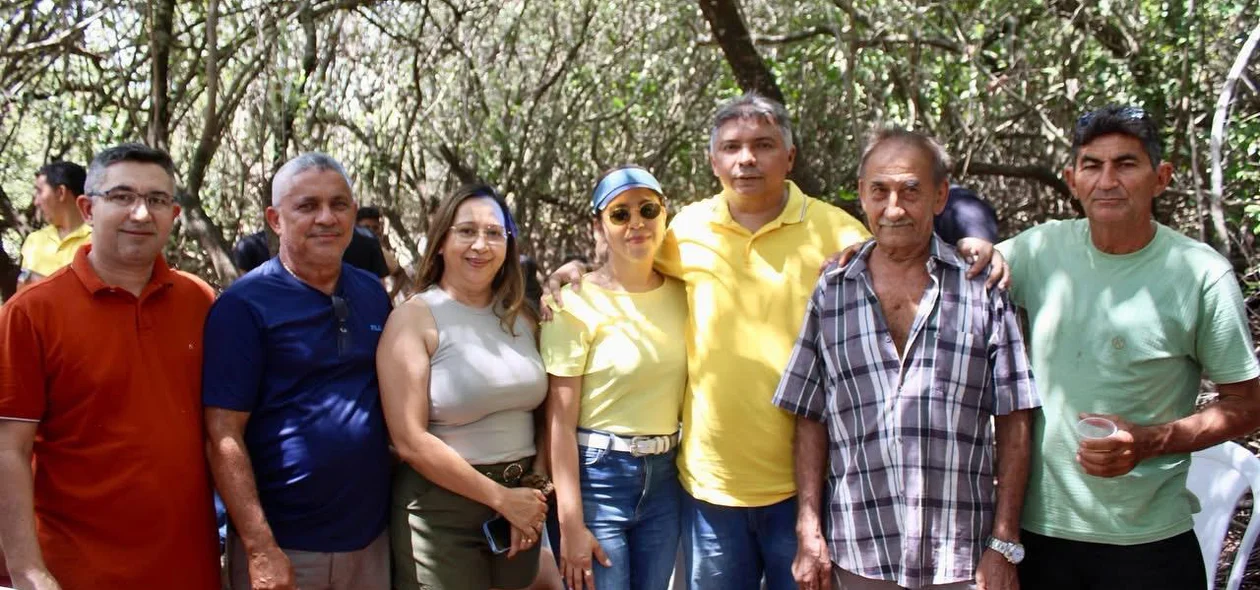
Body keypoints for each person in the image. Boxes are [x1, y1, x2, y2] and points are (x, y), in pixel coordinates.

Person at [547, 93, 1006, 590]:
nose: (747, 158)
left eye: (763, 145)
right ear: (713, 161)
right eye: (732, 147)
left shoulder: (838, 231)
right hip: (710, 488)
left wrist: (976, 246)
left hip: (808, 486)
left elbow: (905, 258)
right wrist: (576, 273)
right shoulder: (683, 232)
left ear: (789, 156)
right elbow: (627, 264)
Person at [997, 104, 1260, 590]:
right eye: (1093, 166)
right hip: (1041, 537)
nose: (1107, 180)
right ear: (1072, 179)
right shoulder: (1041, 250)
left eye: (1126, 164)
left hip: (1148, 546)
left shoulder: (1201, 275)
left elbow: (1247, 407)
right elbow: (953, 275)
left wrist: (1149, 441)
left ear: (1160, 178)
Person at [774, 128, 1039, 590]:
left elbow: (1015, 417)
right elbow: (810, 417)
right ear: (862, 196)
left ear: (940, 196)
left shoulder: (981, 290)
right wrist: (809, 530)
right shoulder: (833, 291)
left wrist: (1003, 542)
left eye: (911, 191)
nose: (894, 208)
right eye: (880, 190)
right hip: (859, 550)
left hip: (960, 557)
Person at [0, 143, 220, 589]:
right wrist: (26, 569)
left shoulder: (201, 300)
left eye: (157, 200)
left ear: (174, 213)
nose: (141, 214)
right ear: (87, 207)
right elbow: (9, 449)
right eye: (122, 196)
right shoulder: (31, 312)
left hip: (188, 567)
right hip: (76, 570)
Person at [204, 153, 393, 590]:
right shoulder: (244, 306)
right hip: (287, 546)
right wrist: (259, 547)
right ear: (275, 218)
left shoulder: (370, 293)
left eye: (339, 204)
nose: (326, 218)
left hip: (371, 540)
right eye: (307, 206)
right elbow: (222, 435)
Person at [377, 184, 550, 590]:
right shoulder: (414, 319)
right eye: (466, 231)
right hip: (441, 515)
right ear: (441, 242)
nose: (481, 245)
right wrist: (500, 498)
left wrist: (533, 492)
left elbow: (546, 414)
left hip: (520, 506)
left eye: (494, 233)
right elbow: (409, 440)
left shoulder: (523, 319)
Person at [541, 166, 688, 590]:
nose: (636, 223)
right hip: (597, 480)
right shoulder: (571, 303)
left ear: (664, 215)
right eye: (620, 214)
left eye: (647, 209)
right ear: (599, 227)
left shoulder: (685, 293)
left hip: (665, 479)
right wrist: (570, 524)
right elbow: (559, 424)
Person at [17, 161, 91, 290]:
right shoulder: (34, 240)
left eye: (40, 192)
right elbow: (22, 293)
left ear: (61, 192)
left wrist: (40, 284)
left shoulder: (99, 240)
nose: (36, 202)